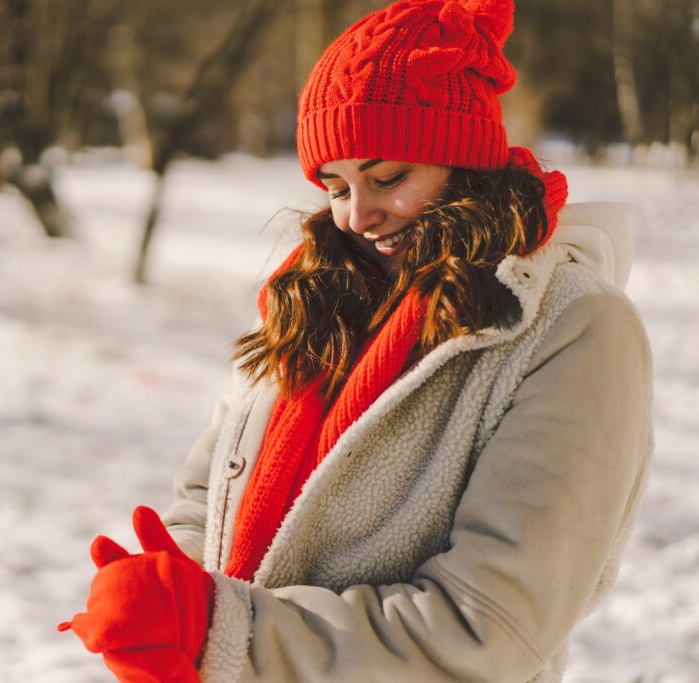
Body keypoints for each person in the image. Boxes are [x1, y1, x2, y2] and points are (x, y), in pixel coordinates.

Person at [58, 1, 654, 681]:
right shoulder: (311, 300)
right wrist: (166, 597)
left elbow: (488, 626)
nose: (357, 216)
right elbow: (206, 497)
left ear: (465, 161)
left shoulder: (577, 329)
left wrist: (222, 632)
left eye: (388, 176)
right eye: (335, 185)